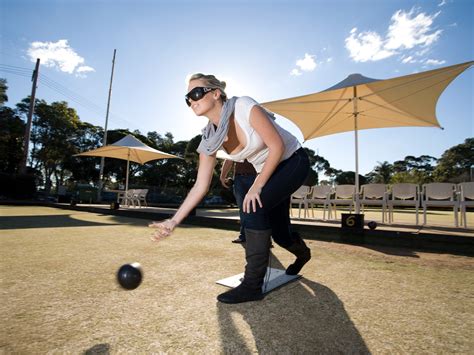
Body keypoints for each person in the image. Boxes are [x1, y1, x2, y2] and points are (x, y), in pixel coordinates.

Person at [149, 73, 311, 304]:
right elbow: (200, 186)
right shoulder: (209, 138)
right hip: (268, 173)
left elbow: (277, 146)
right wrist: (173, 221)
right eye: (187, 98)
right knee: (280, 234)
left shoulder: (244, 106)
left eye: (196, 93)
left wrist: (257, 185)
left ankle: (252, 286)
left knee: (253, 207)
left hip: (293, 161)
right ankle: (303, 253)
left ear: (216, 94)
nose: (191, 100)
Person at [220, 159, 257, 243]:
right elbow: (229, 160)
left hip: (255, 177)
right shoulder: (236, 147)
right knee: (242, 208)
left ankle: (264, 238)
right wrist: (222, 177)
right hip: (238, 179)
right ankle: (243, 236)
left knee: (257, 207)